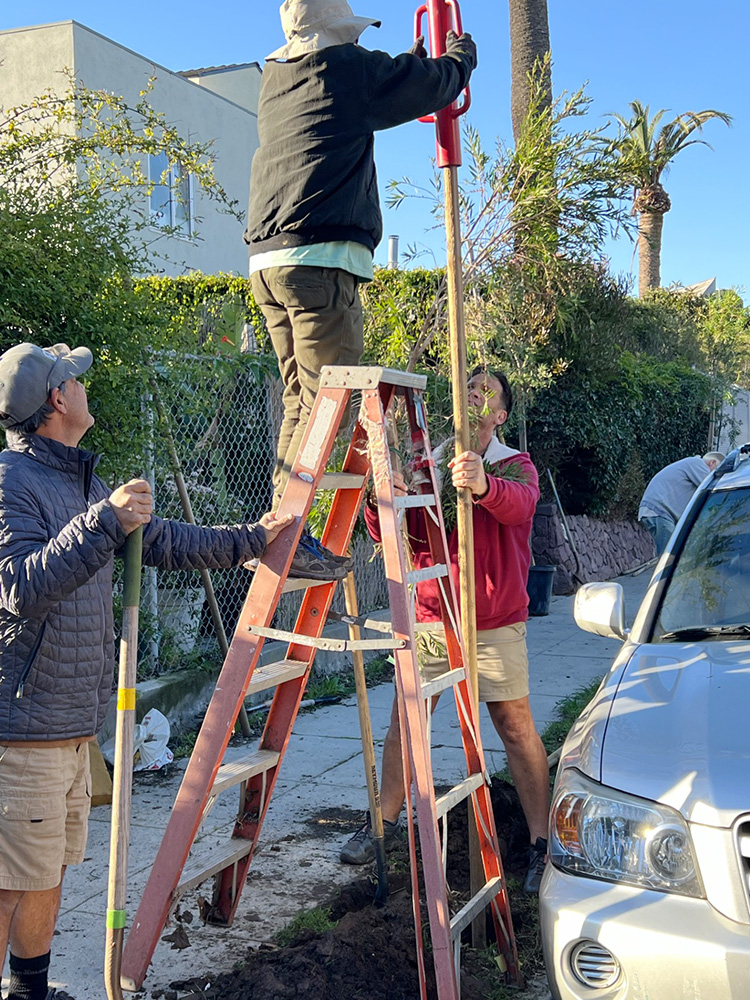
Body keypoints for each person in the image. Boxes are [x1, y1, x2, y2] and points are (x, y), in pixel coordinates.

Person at [0, 342, 294, 1000]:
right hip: (23, 727)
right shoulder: (9, 480)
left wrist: (253, 539)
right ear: (56, 399)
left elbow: (159, 542)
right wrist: (102, 521)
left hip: (71, 725)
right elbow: (19, 586)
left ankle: (30, 991)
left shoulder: (79, 479)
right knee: (8, 881)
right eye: (75, 380)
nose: (83, 388)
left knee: (46, 870)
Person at [245, 0, 477, 579]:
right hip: (322, 261)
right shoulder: (343, 68)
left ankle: (280, 527)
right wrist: (460, 59)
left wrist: (418, 64)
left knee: (303, 398)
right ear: (335, 35)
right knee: (329, 404)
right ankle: (284, 538)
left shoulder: (279, 81)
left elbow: (394, 83)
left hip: (270, 263)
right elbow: (426, 86)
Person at [340, 369, 551, 894]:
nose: (475, 393)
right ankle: (382, 826)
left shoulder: (514, 466)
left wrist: (481, 484)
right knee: (406, 721)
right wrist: (378, 500)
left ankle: (543, 842)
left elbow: (520, 505)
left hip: (494, 622)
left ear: (500, 414)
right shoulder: (426, 465)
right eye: (470, 386)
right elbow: (399, 535)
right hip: (433, 615)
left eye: (487, 391)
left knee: (515, 725)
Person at [638, 452, 724, 556]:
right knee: (670, 556)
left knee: (673, 554)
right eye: (716, 472)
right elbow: (713, 489)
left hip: (659, 512)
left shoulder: (690, 468)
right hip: (658, 511)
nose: (715, 477)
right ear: (712, 463)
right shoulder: (698, 463)